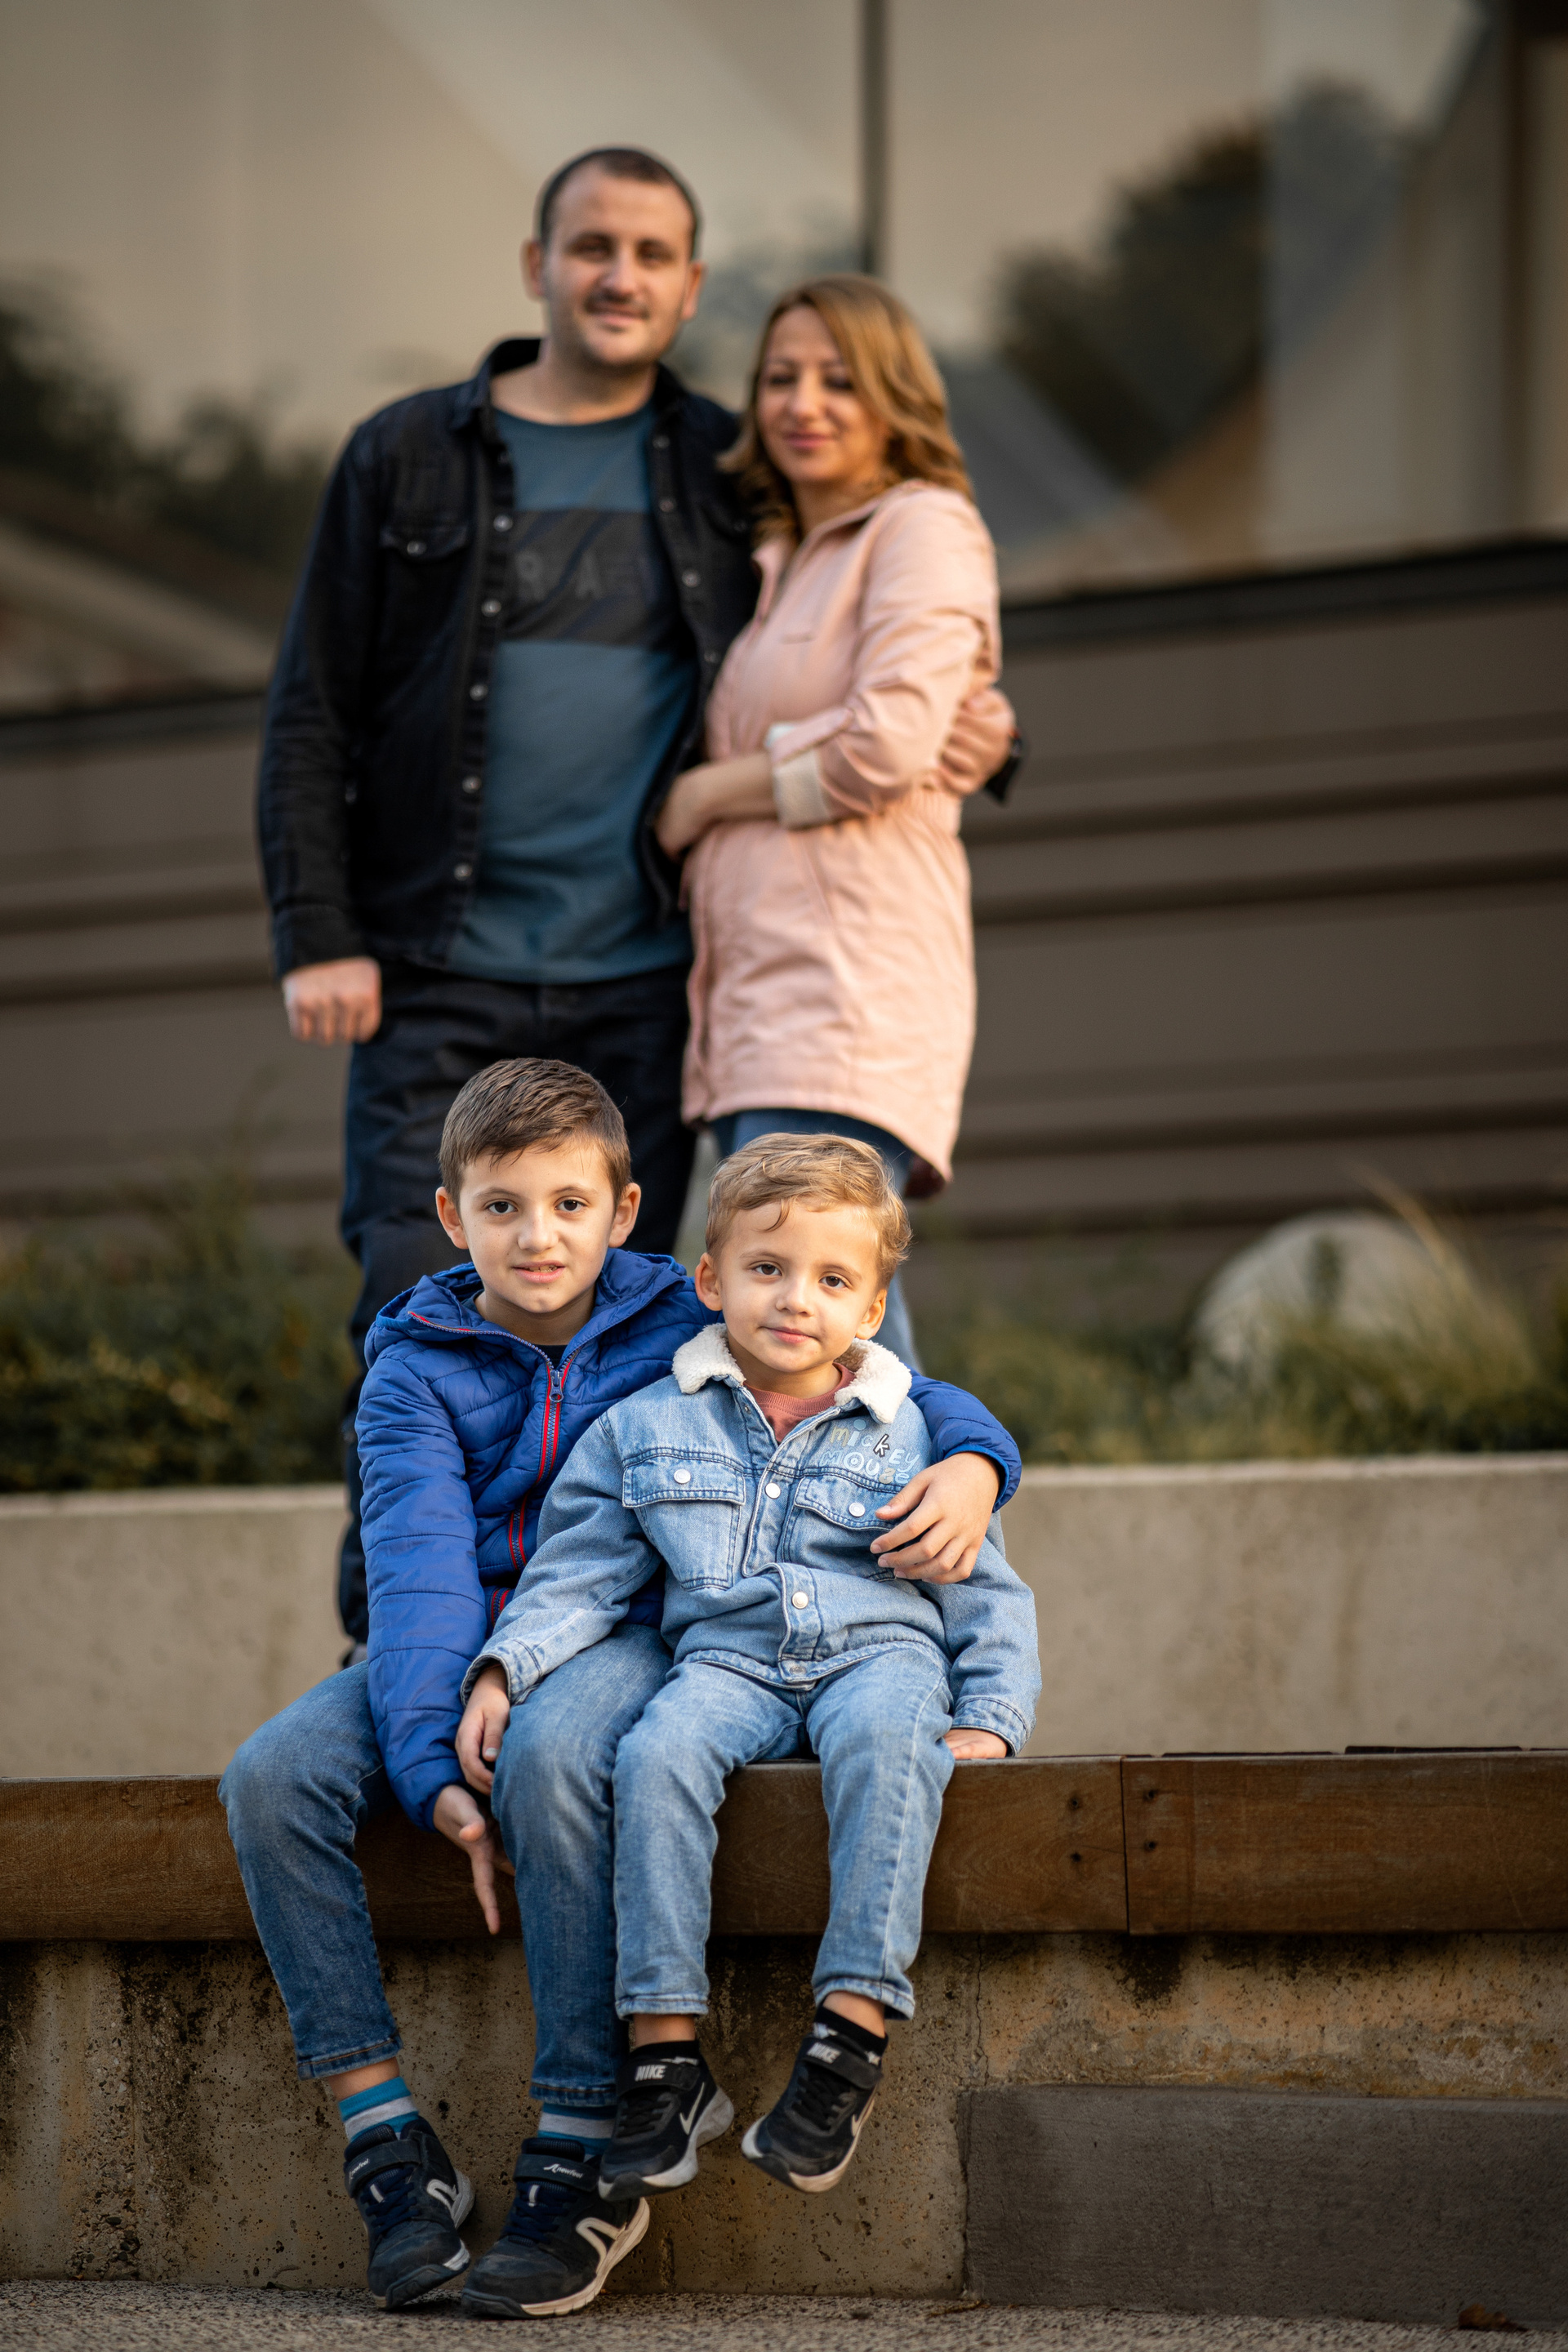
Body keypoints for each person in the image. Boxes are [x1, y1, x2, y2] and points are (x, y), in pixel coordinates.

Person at [256, 150, 1020, 1645]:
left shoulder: (722, 466)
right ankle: (401, 1660)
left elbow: (893, 656)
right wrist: (319, 930)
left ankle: (579, 1658)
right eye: (592, 246)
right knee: (419, 1317)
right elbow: (313, 708)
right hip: (438, 970)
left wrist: (984, 729)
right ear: (535, 262)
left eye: (655, 254)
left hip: (647, 985)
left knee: (626, 1343)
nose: (621, 276)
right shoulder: (409, 454)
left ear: (688, 285)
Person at [220, 1058, 1025, 2318]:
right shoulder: (413, 1366)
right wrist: (431, 1766)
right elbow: (417, 1575)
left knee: (552, 1756)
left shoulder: (679, 1307)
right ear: (453, 1218)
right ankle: (384, 2137)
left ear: (623, 1210)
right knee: (269, 1780)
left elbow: (875, 1376)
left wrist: (981, 1458)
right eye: (503, 1209)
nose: (539, 1238)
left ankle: (582, 2144)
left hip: (637, 1625)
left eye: (569, 1205)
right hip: (453, 1641)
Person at [457, 1134, 1038, 2232]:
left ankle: (848, 2038)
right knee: (655, 1754)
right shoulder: (647, 1427)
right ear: (712, 1280)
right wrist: (505, 1669)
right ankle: (667, 2061)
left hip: (879, 1657)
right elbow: (576, 1574)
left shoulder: (918, 1436)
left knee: (888, 1748)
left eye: (833, 1280)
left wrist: (993, 1718)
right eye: (767, 1269)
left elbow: (986, 1591)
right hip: (725, 1664)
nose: (796, 1300)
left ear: (873, 1308)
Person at [656, 275, 1007, 1367]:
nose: (804, 403)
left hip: (844, 996)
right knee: (817, 1343)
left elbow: (889, 743)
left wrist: (711, 792)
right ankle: (929, 1486)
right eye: (780, 378)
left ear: (895, 397)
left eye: (840, 380)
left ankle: (952, 1491)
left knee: (820, 1336)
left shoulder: (923, 527)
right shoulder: (786, 562)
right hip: (764, 1003)